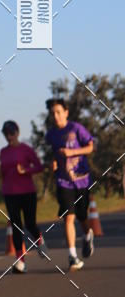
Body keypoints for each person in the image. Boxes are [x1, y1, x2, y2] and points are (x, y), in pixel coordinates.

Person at [45, 98, 96, 272]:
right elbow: (54, 153)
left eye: (59, 112)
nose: (56, 116)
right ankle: (72, 256)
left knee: (82, 216)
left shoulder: (76, 128)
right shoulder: (51, 134)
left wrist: (72, 152)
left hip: (82, 180)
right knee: (68, 217)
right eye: (53, 113)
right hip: (63, 181)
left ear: (66, 112)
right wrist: (53, 162)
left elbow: (90, 147)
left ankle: (88, 234)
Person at [0, 120, 47, 273]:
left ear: (17, 133)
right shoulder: (3, 152)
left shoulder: (26, 149)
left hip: (27, 192)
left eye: (11, 133)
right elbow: (3, 171)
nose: (9, 136)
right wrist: (1, 175)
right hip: (10, 193)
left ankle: (39, 241)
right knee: (16, 226)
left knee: (30, 223)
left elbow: (39, 167)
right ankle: (20, 262)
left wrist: (26, 170)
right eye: (6, 133)